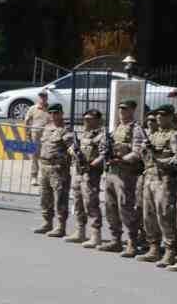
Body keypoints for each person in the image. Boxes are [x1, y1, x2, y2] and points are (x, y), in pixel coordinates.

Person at [101, 99, 147, 256]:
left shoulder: (136, 129)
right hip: (112, 172)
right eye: (120, 109)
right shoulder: (117, 128)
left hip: (126, 174)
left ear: (132, 110)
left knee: (125, 208)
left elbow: (138, 152)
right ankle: (115, 240)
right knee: (110, 207)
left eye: (125, 109)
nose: (121, 112)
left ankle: (132, 243)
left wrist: (122, 159)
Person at [140, 104, 177, 266]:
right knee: (148, 214)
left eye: (163, 115)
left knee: (164, 215)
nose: (159, 117)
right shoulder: (153, 134)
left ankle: (170, 250)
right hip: (149, 177)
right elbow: (144, 158)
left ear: (171, 117)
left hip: (164, 179)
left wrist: (160, 161)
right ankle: (153, 247)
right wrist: (144, 150)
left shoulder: (174, 135)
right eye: (158, 115)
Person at [71, 108, 109, 248]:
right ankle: (80, 231)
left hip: (91, 173)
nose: (85, 121)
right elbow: (77, 150)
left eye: (89, 119)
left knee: (90, 203)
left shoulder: (101, 136)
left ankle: (95, 235)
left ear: (97, 120)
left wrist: (92, 165)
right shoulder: (84, 134)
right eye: (85, 119)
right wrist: (73, 152)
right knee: (78, 201)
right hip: (79, 171)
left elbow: (103, 154)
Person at [34, 103, 72, 237]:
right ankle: (47, 222)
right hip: (44, 167)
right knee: (45, 196)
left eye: (56, 113)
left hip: (58, 169)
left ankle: (61, 226)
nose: (53, 115)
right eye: (51, 113)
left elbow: (71, 148)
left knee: (60, 198)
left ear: (61, 114)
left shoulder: (65, 130)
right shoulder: (47, 128)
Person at [24, 90, 52, 188]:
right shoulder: (33, 108)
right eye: (41, 97)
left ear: (47, 98)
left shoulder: (50, 109)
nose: (42, 99)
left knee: (46, 157)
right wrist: (27, 134)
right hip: (35, 135)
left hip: (47, 136)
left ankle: (46, 177)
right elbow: (27, 120)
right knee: (34, 156)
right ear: (38, 98)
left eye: (44, 97)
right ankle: (34, 176)